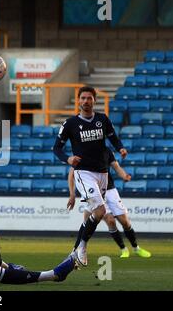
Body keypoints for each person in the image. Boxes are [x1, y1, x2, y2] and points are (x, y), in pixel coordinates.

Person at [53, 86, 128, 267]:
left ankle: (75, 250)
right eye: (83, 98)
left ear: (94, 100)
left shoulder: (102, 120)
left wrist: (120, 148)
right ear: (78, 101)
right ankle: (83, 247)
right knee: (101, 211)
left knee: (95, 214)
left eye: (89, 98)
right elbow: (56, 148)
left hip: (102, 172)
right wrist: (68, 158)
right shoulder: (70, 124)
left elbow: (113, 137)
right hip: (84, 173)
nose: (86, 101)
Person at [67, 149, 151, 258]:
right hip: (94, 191)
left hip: (110, 190)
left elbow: (116, 166)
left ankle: (136, 248)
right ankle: (123, 249)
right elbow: (71, 174)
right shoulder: (83, 150)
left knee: (125, 222)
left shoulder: (106, 151)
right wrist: (72, 194)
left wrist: (124, 176)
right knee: (109, 220)